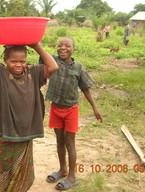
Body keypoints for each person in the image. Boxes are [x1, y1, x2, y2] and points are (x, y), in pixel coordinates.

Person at [0, 19, 58, 192]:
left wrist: (36, 44)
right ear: (5, 61)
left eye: (22, 61)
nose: (18, 65)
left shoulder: (34, 73)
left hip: (24, 135)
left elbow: (53, 66)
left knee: (21, 179)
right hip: (3, 135)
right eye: (14, 61)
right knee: (5, 173)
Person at [44, 37, 103, 191]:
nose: (63, 48)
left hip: (71, 110)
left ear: (73, 49)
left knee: (69, 142)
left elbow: (85, 89)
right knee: (59, 141)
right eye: (60, 45)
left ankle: (72, 176)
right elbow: (40, 52)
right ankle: (62, 170)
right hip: (55, 108)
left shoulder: (79, 68)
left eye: (67, 46)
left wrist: (95, 108)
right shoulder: (51, 62)